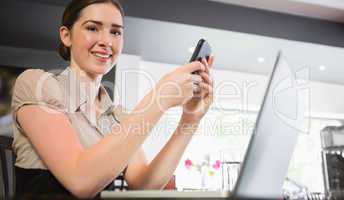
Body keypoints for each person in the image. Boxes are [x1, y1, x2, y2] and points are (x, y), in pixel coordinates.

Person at [11, 0, 214, 198]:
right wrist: (158, 98)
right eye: (92, 28)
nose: (106, 41)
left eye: (115, 32)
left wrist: (190, 119)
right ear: (66, 36)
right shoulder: (36, 84)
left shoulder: (118, 116)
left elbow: (144, 184)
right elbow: (81, 181)